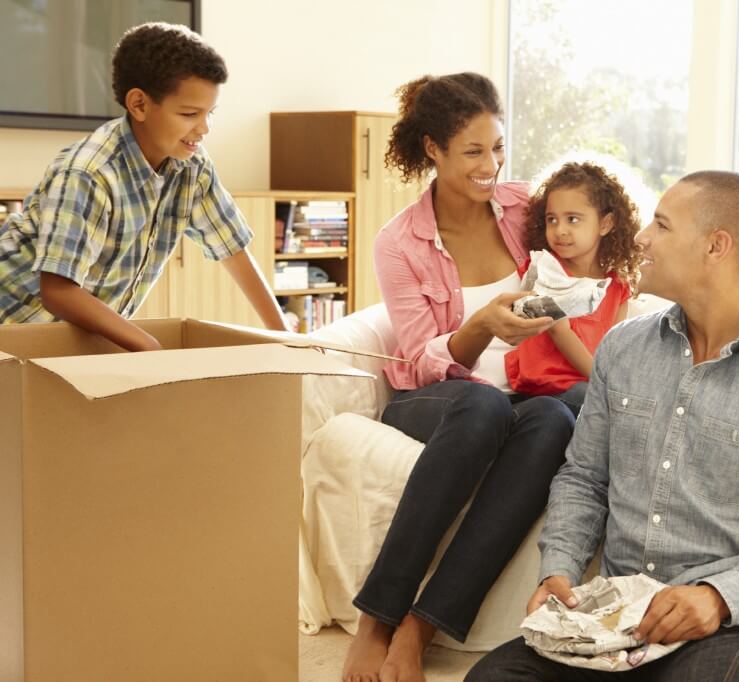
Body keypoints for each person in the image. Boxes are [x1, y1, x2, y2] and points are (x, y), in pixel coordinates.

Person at [468, 170, 739, 681]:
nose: (643, 237)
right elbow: (584, 478)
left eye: (663, 225)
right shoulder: (622, 349)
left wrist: (718, 598)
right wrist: (559, 569)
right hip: (609, 615)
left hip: (724, 628)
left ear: (716, 246)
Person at [341, 72, 576, 682]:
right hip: (437, 401)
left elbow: (591, 251)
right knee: (483, 407)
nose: (491, 165)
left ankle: (423, 626)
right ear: (432, 149)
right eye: (473, 151)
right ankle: (377, 618)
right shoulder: (400, 243)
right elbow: (419, 359)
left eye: (498, 147)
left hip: (524, 396)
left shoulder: (527, 208)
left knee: (553, 417)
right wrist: (484, 327)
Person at [0, 23, 287, 347]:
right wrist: (149, 346)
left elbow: (232, 249)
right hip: (12, 328)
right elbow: (58, 291)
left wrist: (286, 338)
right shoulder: (88, 174)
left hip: (71, 338)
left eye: (210, 113)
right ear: (139, 104)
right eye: (190, 113)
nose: (204, 128)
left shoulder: (192, 166)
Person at [505, 161, 642, 416]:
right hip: (543, 391)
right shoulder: (544, 271)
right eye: (552, 220)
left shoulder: (617, 287)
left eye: (573, 219)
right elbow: (559, 332)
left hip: (587, 386)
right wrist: (606, 389)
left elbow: (612, 349)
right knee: (606, 406)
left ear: (606, 224)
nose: (560, 230)